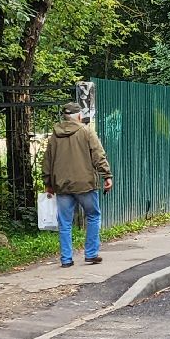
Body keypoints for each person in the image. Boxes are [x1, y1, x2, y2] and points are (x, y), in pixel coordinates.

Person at [43, 101, 113, 267]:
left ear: (65, 117)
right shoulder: (86, 132)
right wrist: (106, 175)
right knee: (93, 216)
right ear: (79, 116)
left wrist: (48, 183)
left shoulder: (54, 136)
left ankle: (66, 259)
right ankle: (91, 254)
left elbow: (47, 161)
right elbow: (98, 155)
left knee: (65, 223)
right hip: (84, 184)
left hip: (62, 186)